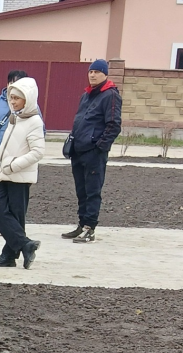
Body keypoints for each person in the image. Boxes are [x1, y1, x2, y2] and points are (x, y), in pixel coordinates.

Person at [64, 59, 122, 244]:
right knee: (81, 190)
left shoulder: (110, 95)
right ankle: (82, 224)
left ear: (105, 74)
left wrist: (100, 147)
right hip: (78, 151)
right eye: (90, 71)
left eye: (97, 71)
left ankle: (90, 228)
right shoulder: (86, 95)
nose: (93, 75)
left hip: (93, 153)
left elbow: (113, 124)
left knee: (92, 191)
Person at [0, 77, 45, 269]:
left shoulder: (34, 121)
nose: (12, 101)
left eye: (17, 98)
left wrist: (12, 165)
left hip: (18, 177)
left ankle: (10, 255)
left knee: (14, 216)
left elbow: (38, 151)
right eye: (11, 97)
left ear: (27, 99)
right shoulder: (16, 117)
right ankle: (24, 245)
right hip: (3, 174)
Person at [0, 68, 28, 157]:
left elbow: (39, 130)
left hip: (18, 153)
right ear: (7, 84)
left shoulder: (30, 105)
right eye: (12, 83)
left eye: (18, 84)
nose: (15, 87)